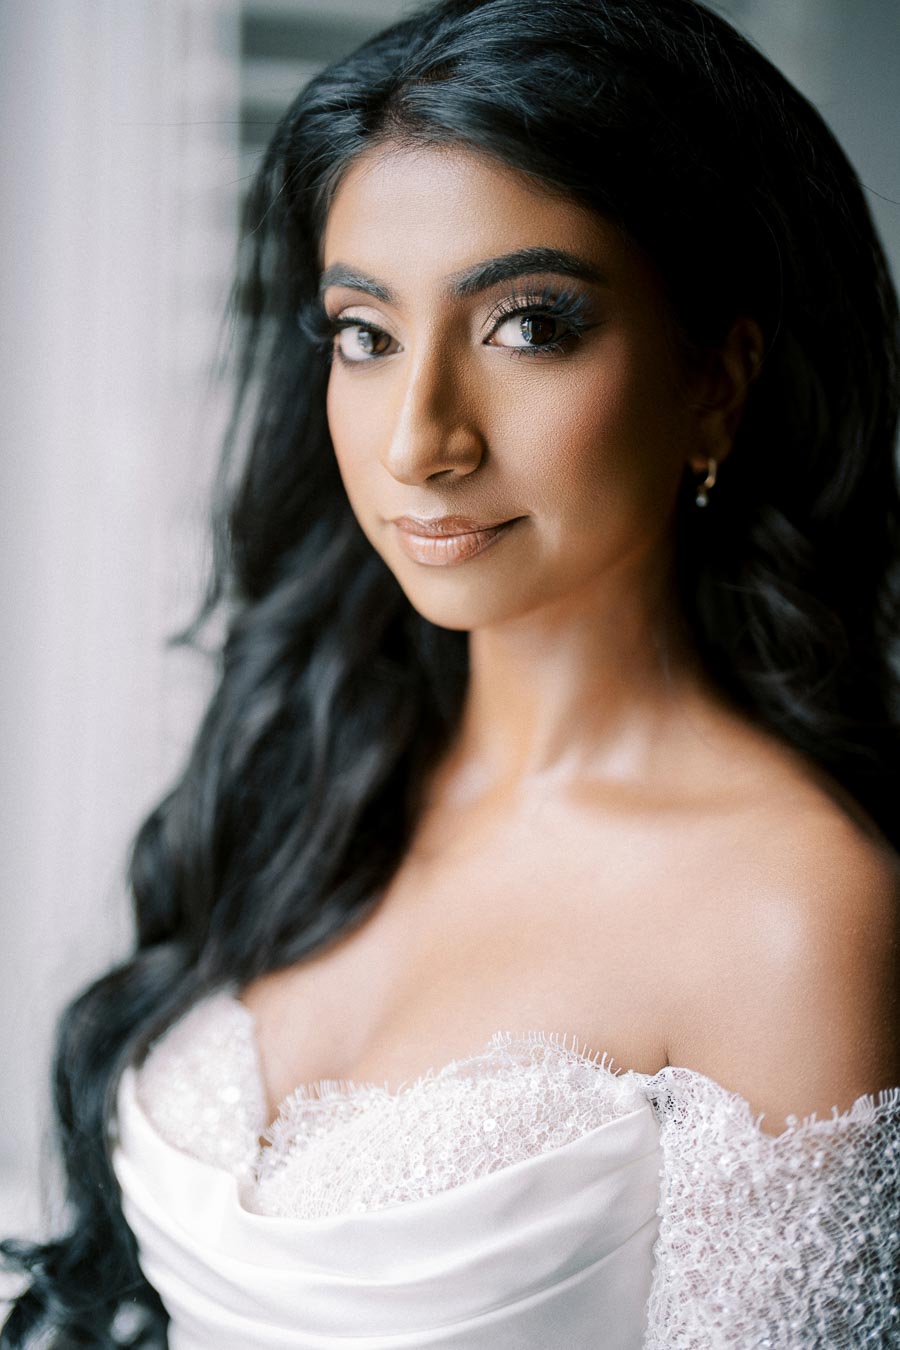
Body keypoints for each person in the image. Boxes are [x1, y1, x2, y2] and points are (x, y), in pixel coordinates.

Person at [3, 0, 900, 1344]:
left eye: (529, 324)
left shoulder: (791, 912)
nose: (420, 438)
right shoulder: (314, 756)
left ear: (716, 379)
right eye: (365, 331)